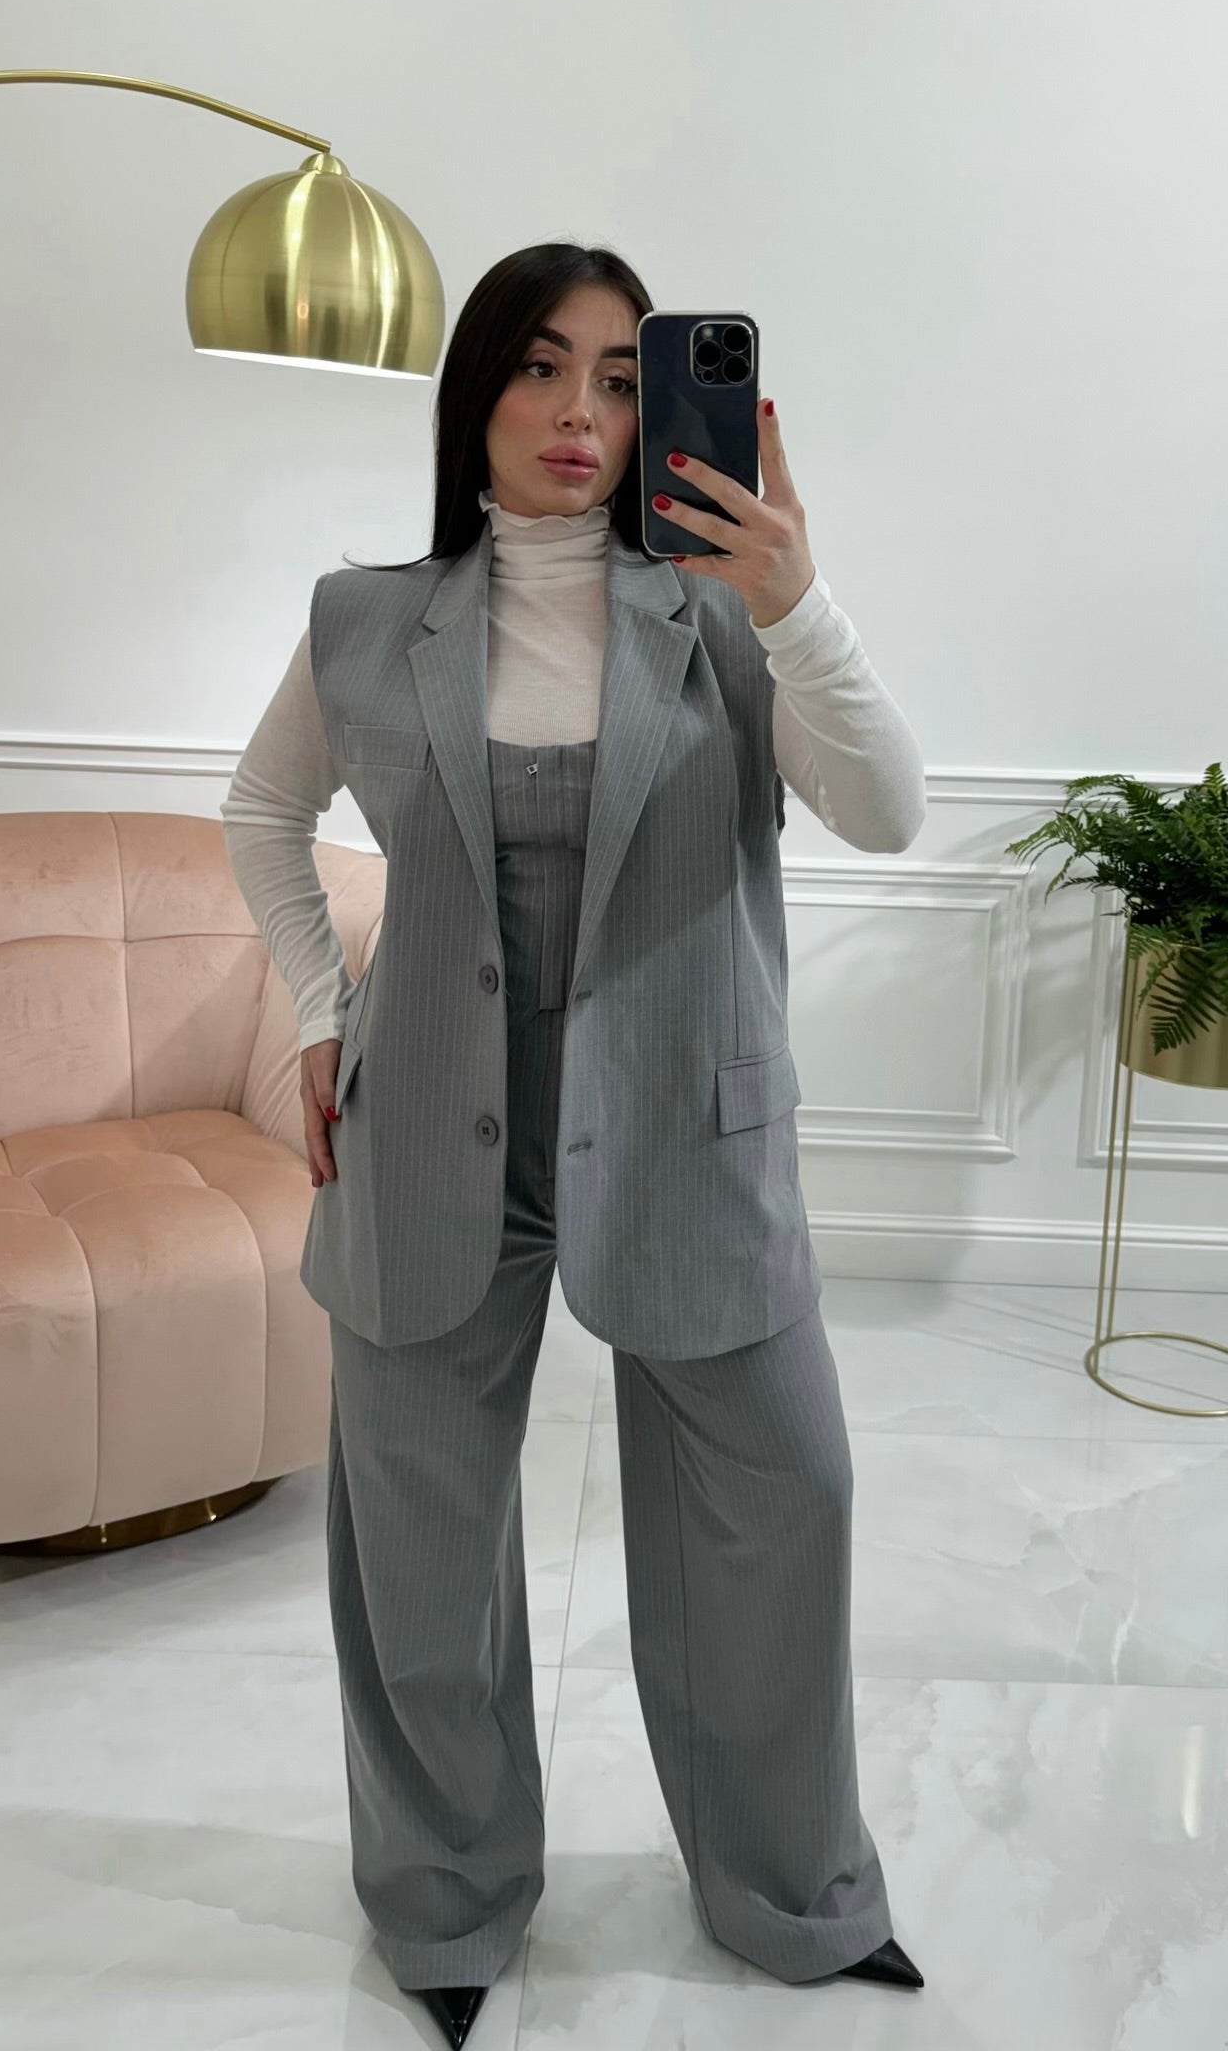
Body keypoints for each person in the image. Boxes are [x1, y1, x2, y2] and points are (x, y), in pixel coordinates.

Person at [222, 241, 928, 2051]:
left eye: (624, 379)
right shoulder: (366, 619)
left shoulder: (724, 617)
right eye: (543, 367)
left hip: (688, 1127)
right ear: (475, 390)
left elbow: (887, 809)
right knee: (421, 1547)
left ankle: (792, 1891)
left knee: (784, 1500)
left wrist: (798, 602)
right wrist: (317, 1008)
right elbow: (262, 812)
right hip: (424, 1132)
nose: (582, 413)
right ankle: (444, 1906)